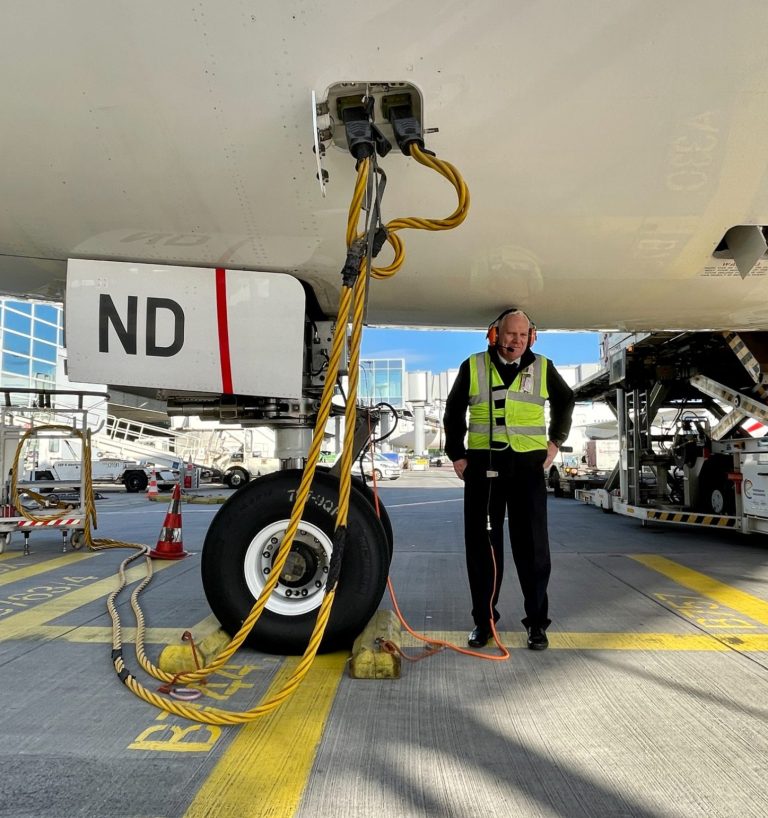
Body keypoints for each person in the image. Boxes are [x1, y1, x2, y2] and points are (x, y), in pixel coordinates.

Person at [443, 308, 574, 650]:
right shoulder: (473, 365)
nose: (515, 341)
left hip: (527, 469)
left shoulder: (542, 367)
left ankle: (536, 624)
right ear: (496, 335)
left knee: (532, 547)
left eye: (521, 335)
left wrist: (555, 441)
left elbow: (566, 400)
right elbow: (453, 410)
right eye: (509, 334)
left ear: (531, 336)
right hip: (483, 468)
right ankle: (484, 622)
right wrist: (456, 454)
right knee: (483, 548)